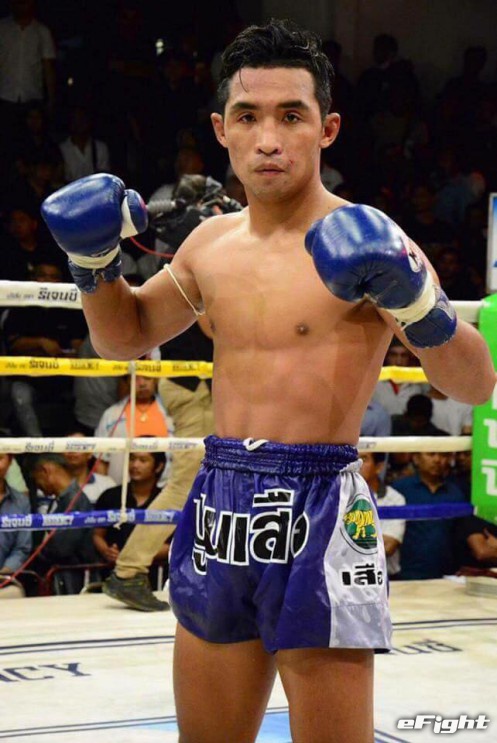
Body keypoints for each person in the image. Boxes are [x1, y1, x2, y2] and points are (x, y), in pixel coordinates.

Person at [40, 18, 496, 743]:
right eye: (248, 117)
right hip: (221, 499)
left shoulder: (370, 239)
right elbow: (124, 334)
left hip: (320, 504)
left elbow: (473, 382)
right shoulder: (209, 244)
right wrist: (93, 265)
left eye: (291, 115)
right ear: (221, 129)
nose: (268, 139)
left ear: (327, 128)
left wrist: (413, 300)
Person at [93, 451, 168, 584]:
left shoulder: (167, 501)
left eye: (143, 460)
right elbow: (97, 534)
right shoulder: (111, 496)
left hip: (154, 576)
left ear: (159, 466)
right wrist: (106, 551)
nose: (135, 465)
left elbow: (172, 545)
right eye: (132, 459)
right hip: (112, 574)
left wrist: (136, 555)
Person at [29, 453, 97, 594]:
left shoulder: (76, 502)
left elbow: (61, 549)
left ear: (46, 471)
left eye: (37, 480)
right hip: (60, 579)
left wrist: (34, 554)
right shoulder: (59, 501)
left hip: (70, 582)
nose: (39, 487)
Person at [395, 451, 467, 580]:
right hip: (406, 573)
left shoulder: (456, 493)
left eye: (443, 455)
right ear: (416, 458)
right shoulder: (400, 489)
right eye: (431, 454)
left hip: (447, 574)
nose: (437, 460)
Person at [94, 374, 171, 484]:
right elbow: (101, 461)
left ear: (156, 380)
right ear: (127, 382)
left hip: (165, 489)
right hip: (119, 488)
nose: (142, 384)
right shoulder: (111, 415)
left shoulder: (172, 414)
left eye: (147, 378)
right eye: (135, 379)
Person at [360, 451, 405, 578]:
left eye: (364, 459)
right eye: (353, 458)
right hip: (349, 577)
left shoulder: (395, 498)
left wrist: (349, 545)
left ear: (379, 467)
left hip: (387, 577)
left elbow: (389, 546)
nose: (357, 463)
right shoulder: (340, 496)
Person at [0, 452, 32, 598]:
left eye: (0, 458)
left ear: (10, 461)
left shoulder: (21, 502)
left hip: (4, 581)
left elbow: (21, 548)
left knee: (14, 593)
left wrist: (3, 574)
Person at [63, 432, 116, 503]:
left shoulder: (107, 484)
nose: (71, 451)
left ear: (90, 454)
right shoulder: (51, 484)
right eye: (67, 447)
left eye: (78, 447)